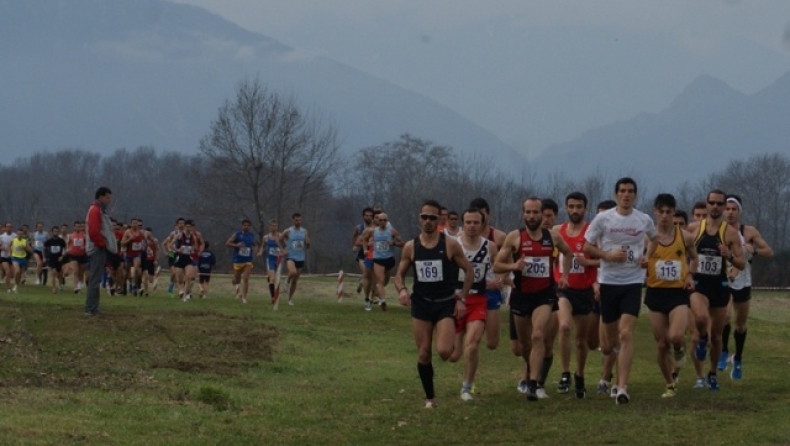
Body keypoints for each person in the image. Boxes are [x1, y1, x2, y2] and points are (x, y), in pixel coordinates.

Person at [583, 177, 658, 404]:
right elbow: (586, 246)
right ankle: (612, 365)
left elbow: (654, 240)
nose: (626, 195)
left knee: (626, 334)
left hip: (632, 283)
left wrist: (647, 257)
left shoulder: (643, 219)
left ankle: (622, 387)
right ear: (616, 194)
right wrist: (606, 256)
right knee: (607, 345)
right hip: (609, 282)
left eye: (631, 191)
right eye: (623, 191)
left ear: (635, 195)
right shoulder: (603, 219)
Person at [393, 199, 474, 409]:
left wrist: (462, 298)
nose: (428, 221)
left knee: (445, 352)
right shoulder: (411, 247)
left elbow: (469, 272)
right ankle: (430, 398)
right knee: (423, 353)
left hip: (445, 303)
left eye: (432, 217)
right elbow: (399, 275)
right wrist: (402, 290)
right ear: (419, 219)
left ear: (440, 220)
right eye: (424, 217)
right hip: (421, 304)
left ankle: (455, 333)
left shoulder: (449, 244)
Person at [494, 197, 573, 401]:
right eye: (528, 212)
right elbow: (496, 266)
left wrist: (564, 276)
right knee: (524, 346)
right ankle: (530, 372)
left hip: (544, 295)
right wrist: (513, 267)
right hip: (521, 296)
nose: (531, 216)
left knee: (538, 335)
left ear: (541, 214)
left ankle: (533, 383)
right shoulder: (515, 237)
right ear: (523, 214)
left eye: (535, 212)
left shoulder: (552, 237)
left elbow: (568, 253)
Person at [685, 189, 745, 391]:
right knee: (701, 318)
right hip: (699, 284)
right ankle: (702, 338)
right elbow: (678, 251)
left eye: (720, 204)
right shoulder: (694, 229)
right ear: (707, 203)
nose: (716, 207)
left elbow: (742, 263)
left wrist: (729, 256)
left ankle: (711, 373)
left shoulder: (730, 233)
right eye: (713, 203)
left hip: (719, 286)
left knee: (718, 336)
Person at [644, 193, 699, 398]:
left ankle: (679, 350)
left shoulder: (685, 237)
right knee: (661, 343)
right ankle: (669, 383)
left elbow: (694, 258)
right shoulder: (648, 237)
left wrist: (690, 275)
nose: (665, 216)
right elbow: (641, 259)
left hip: (677, 293)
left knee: (676, 336)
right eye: (661, 212)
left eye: (669, 212)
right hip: (655, 293)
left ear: (674, 212)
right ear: (655, 212)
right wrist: (642, 266)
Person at [447, 208, 498, 401]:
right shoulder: (453, 244)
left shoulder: (490, 246)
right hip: (455, 299)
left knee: (473, 344)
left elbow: (499, 266)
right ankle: (456, 349)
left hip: (478, 300)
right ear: (463, 223)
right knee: (453, 354)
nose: (472, 226)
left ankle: (466, 387)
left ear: (482, 224)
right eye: (468, 222)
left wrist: (500, 280)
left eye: (476, 222)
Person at [720, 194, 773, 380]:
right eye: (727, 209)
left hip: (743, 280)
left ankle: (738, 358)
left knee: (740, 325)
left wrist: (755, 251)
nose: (730, 212)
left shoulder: (748, 231)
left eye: (734, 209)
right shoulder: (718, 230)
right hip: (724, 279)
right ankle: (724, 351)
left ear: (739, 211)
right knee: (725, 316)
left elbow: (769, 251)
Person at [553, 192, 600, 399]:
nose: (575, 210)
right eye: (571, 206)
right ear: (566, 207)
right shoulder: (557, 232)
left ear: (585, 208)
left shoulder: (593, 232)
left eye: (579, 207)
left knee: (582, 341)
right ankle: (564, 373)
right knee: (563, 327)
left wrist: (588, 264)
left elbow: (605, 260)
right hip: (563, 288)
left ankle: (579, 374)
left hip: (585, 290)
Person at [358, 212, 404, 310]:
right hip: (376, 258)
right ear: (376, 220)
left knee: (384, 281)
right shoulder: (371, 231)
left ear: (387, 221)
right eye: (380, 220)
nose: (382, 222)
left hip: (388, 259)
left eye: (384, 220)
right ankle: (379, 300)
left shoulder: (391, 231)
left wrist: (393, 243)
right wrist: (365, 249)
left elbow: (402, 243)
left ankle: (377, 294)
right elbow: (363, 240)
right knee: (376, 279)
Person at [85, 187, 117, 315]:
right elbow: (94, 231)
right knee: (95, 278)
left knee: (96, 278)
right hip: (96, 248)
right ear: (101, 197)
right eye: (107, 197)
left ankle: (93, 307)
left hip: (98, 247)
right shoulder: (95, 210)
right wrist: (102, 243)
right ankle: (91, 307)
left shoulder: (98, 210)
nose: (109, 201)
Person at [280, 213, 311, 306]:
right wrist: (283, 249)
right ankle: (286, 281)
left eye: (300, 220)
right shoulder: (288, 231)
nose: (298, 222)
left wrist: (308, 243)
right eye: (296, 220)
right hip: (290, 256)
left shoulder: (304, 231)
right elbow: (279, 239)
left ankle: (289, 299)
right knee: (292, 272)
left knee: (295, 281)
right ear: (293, 220)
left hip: (300, 257)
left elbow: (307, 245)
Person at [227, 219, 258, 304]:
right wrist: (236, 245)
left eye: (248, 225)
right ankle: (236, 284)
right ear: (242, 226)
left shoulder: (251, 236)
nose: (246, 227)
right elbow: (228, 243)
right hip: (237, 260)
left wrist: (256, 251)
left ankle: (244, 297)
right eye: (245, 225)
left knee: (246, 278)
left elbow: (255, 245)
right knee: (237, 279)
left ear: (250, 227)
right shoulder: (237, 234)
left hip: (248, 260)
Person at [259, 220, 282, 300]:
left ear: (277, 226)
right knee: (272, 279)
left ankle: (269, 277)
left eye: (275, 225)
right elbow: (263, 246)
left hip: (278, 260)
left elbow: (285, 246)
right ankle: (273, 297)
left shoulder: (280, 236)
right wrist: (260, 252)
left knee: (275, 278)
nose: (274, 227)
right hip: (270, 260)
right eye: (272, 225)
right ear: (269, 227)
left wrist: (283, 251)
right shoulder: (266, 237)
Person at [44, 226, 67, 295]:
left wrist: (62, 256)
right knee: (53, 273)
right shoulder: (49, 241)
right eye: (54, 231)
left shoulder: (61, 241)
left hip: (59, 259)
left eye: (57, 231)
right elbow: (43, 248)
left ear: (58, 232)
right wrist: (44, 257)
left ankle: (60, 285)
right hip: (51, 259)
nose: (55, 232)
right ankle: (54, 288)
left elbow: (66, 249)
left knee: (60, 274)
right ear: (52, 232)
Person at [10, 228, 32, 292]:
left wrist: (27, 248)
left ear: (23, 235)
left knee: (20, 274)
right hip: (15, 258)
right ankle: (15, 285)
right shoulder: (13, 240)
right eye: (19, 234)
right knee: (17, 271)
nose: (20, 235)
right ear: (17, 234)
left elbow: (29, 250)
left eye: (21, 234)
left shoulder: (24, 241)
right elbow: (10, 247)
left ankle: (17, 285)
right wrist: (10, 254)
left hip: (22, 258)